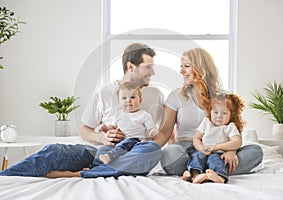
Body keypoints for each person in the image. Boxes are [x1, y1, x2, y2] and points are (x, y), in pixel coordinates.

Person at [0, 43, 164, 178]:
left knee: (151, 149)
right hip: (99, 153)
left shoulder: (155, 94)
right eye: (148, 67)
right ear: (130, 67)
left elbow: (160, 135)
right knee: (53, 150)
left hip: (132, 154)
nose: (153, 72)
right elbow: (85, 130)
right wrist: (102, 137)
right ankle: (5, 178)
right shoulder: (104, 92)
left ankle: (81, 174)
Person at [154, 47, 263, 177]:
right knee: (169, 153)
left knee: (256, 151)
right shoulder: (176, 96)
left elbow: (234, 131)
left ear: (201, 68)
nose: (181, 71)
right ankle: (215, 170)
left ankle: (197, 171)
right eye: (181, 66)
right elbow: (165, 132)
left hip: (218, 149)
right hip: (186, 149)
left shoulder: (222, 99)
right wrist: (144, 151)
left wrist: (231, 151)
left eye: (186, 66)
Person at [182, 92, 244, 184]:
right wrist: (201, 148)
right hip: (203, 150)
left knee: (214, 160)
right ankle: (195, 176)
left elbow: (237, 142)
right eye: (215, 112)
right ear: (210, 111)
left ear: (232, 115)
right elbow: (196, 138)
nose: (219, 116)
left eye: (224, 113)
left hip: (218, 153)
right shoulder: (206, 122)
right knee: (196, 157)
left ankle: (220, 177)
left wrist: (216, 147)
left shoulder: (230, 127)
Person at [95, 82, 159, 165]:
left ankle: (110, 156)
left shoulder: (144, 115)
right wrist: (105, 128)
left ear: (140, 100)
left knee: (130, 142)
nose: (128, 100)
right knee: (103, 149)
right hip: (120, 143)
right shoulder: (118, 114)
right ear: (119, 101)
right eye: (124, 98)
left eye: (132, 97)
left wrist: (153, 131)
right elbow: (113, 126)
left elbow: (152, 128)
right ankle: (95, 166)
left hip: (136, 143)